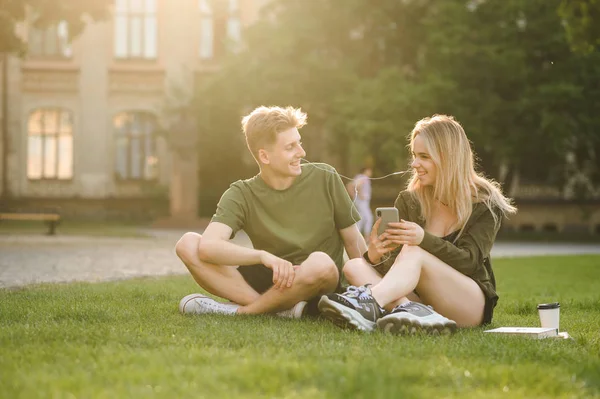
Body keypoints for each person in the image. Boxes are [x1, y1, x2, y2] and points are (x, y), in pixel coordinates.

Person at [318, 114, 517, 333]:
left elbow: (469, 262)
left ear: (448, 157)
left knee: (414, 251)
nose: (414, 164)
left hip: (467, 304)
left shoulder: (485, 203)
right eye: (414, 155)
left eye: (423, 156)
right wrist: (374, 257)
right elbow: (398, 271)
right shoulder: (410, 200)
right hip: (421, 299)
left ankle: (369, 304)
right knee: (354, 266)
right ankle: (411, 311)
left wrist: (423, 239)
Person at [175, 106, 366, 319]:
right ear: (265, 156)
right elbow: (209, 246)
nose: (301, 153)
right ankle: (281, 310)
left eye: (299, 143)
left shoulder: (325, 177)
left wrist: (370, 293)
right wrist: (263, 256)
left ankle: (244, 311)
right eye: (290, 147)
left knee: (321, 263)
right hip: (271, 279)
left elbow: (353, 241)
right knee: (188, 244)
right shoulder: (242, 192)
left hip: (317, 281)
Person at [352, 167, 374, 240]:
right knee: (369, 218)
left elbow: (351, 185)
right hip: (362, 201)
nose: (371, 173)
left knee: (361, 219)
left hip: (361, 202)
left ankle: (356, 236)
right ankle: (367, 236)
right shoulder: (363, 178)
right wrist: (360, 194)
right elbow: (357, 186)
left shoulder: (359, 177)